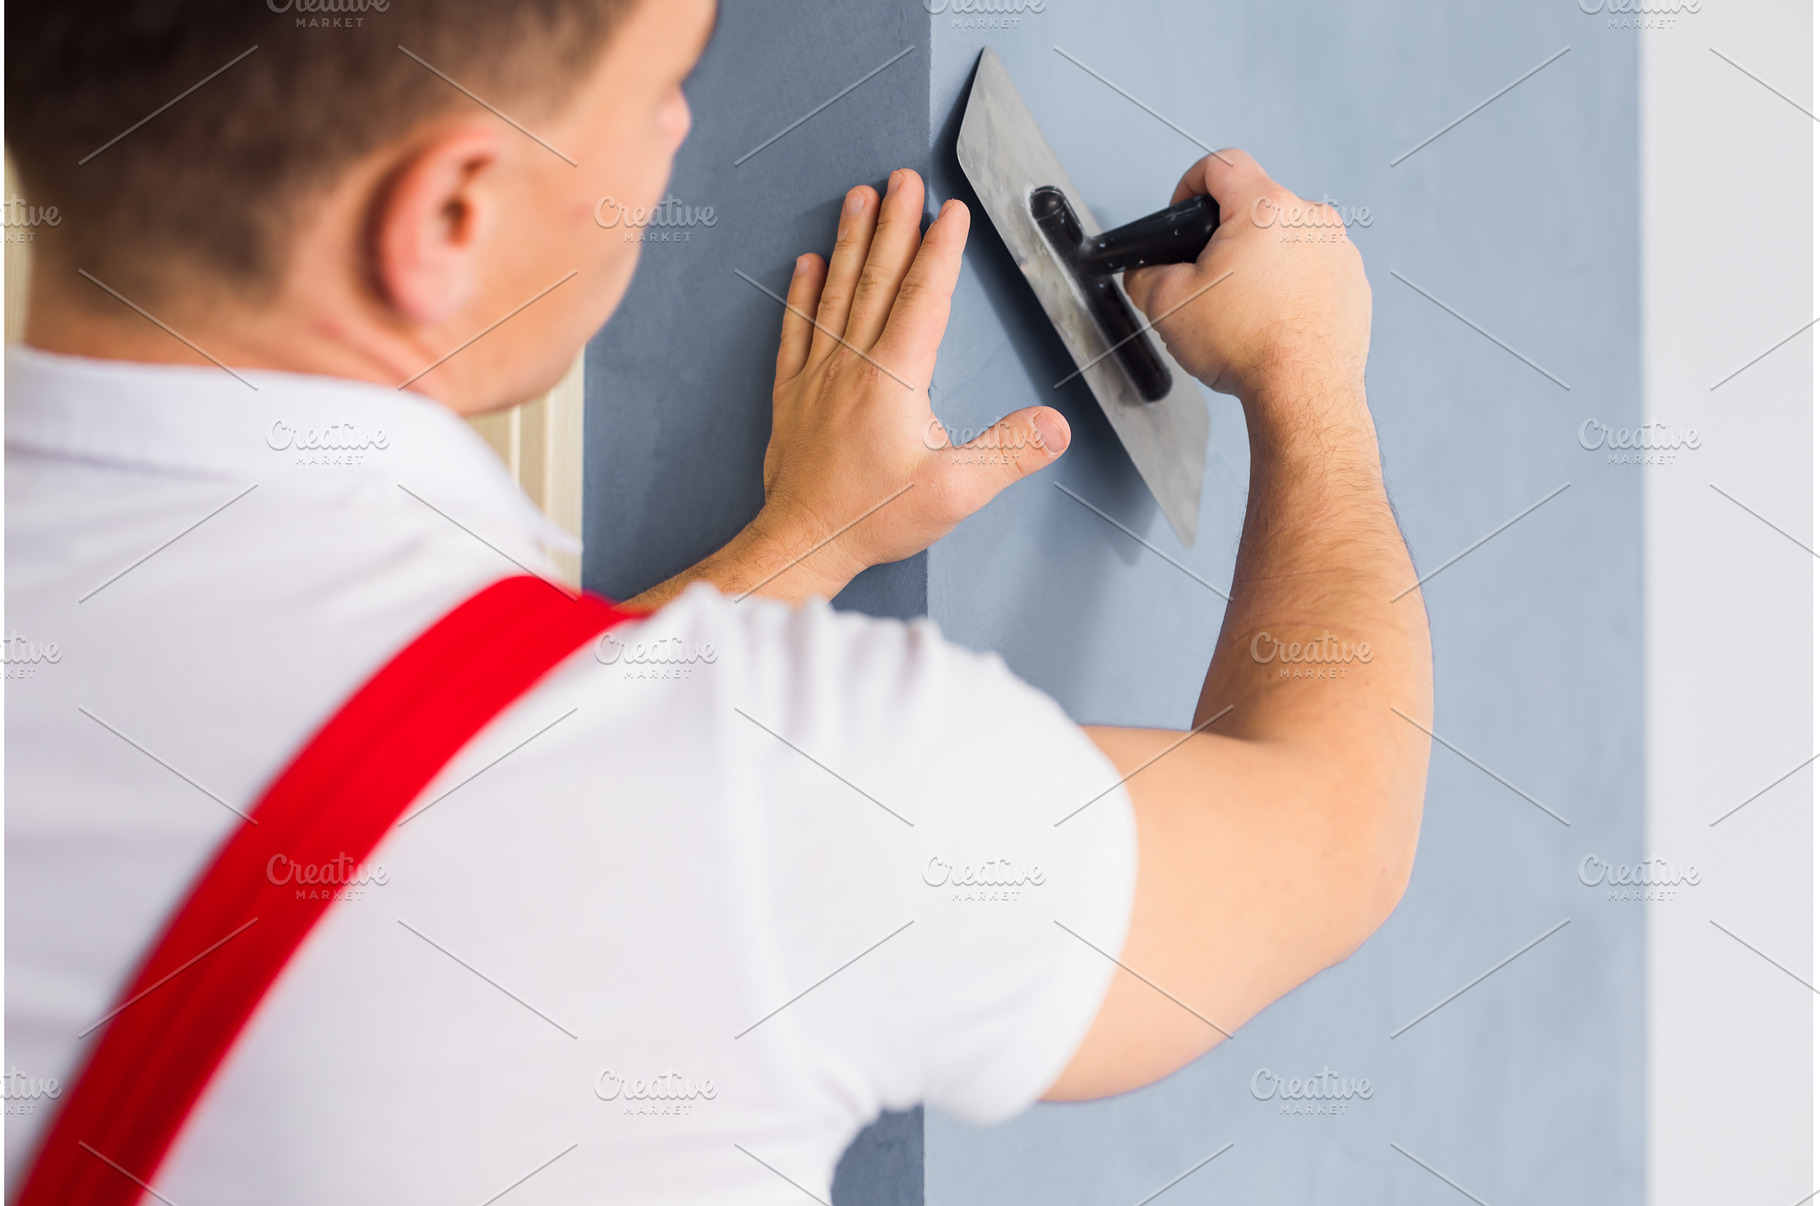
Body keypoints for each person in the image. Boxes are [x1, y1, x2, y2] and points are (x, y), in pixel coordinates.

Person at [3, 0, 1432, 1201]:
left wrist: (798, 545)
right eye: (661, 90)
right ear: (447, 214)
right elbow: (1328, 832)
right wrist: (1311, 372)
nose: (682, 129)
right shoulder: (772, 798)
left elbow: (457, 772)